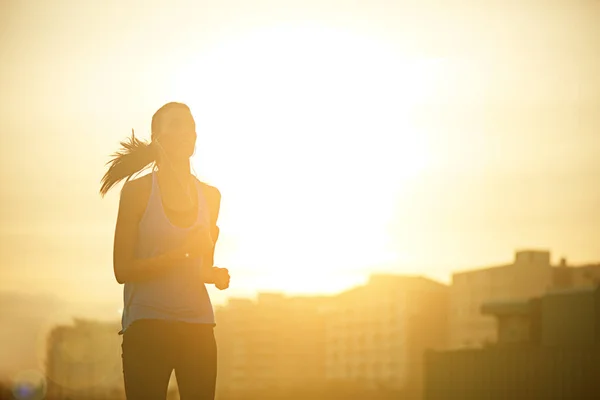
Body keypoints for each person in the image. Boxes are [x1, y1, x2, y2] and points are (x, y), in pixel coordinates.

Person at [100, 102, 230, 400]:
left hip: (198, 327)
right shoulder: (137, 191)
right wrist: (183, 252)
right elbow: (122, 270)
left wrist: (216, 275)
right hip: (147, 327)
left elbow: (200, 269)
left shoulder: (211, 197)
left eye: (191, 125)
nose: (187, 131)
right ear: (156, 136)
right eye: (177, 124)